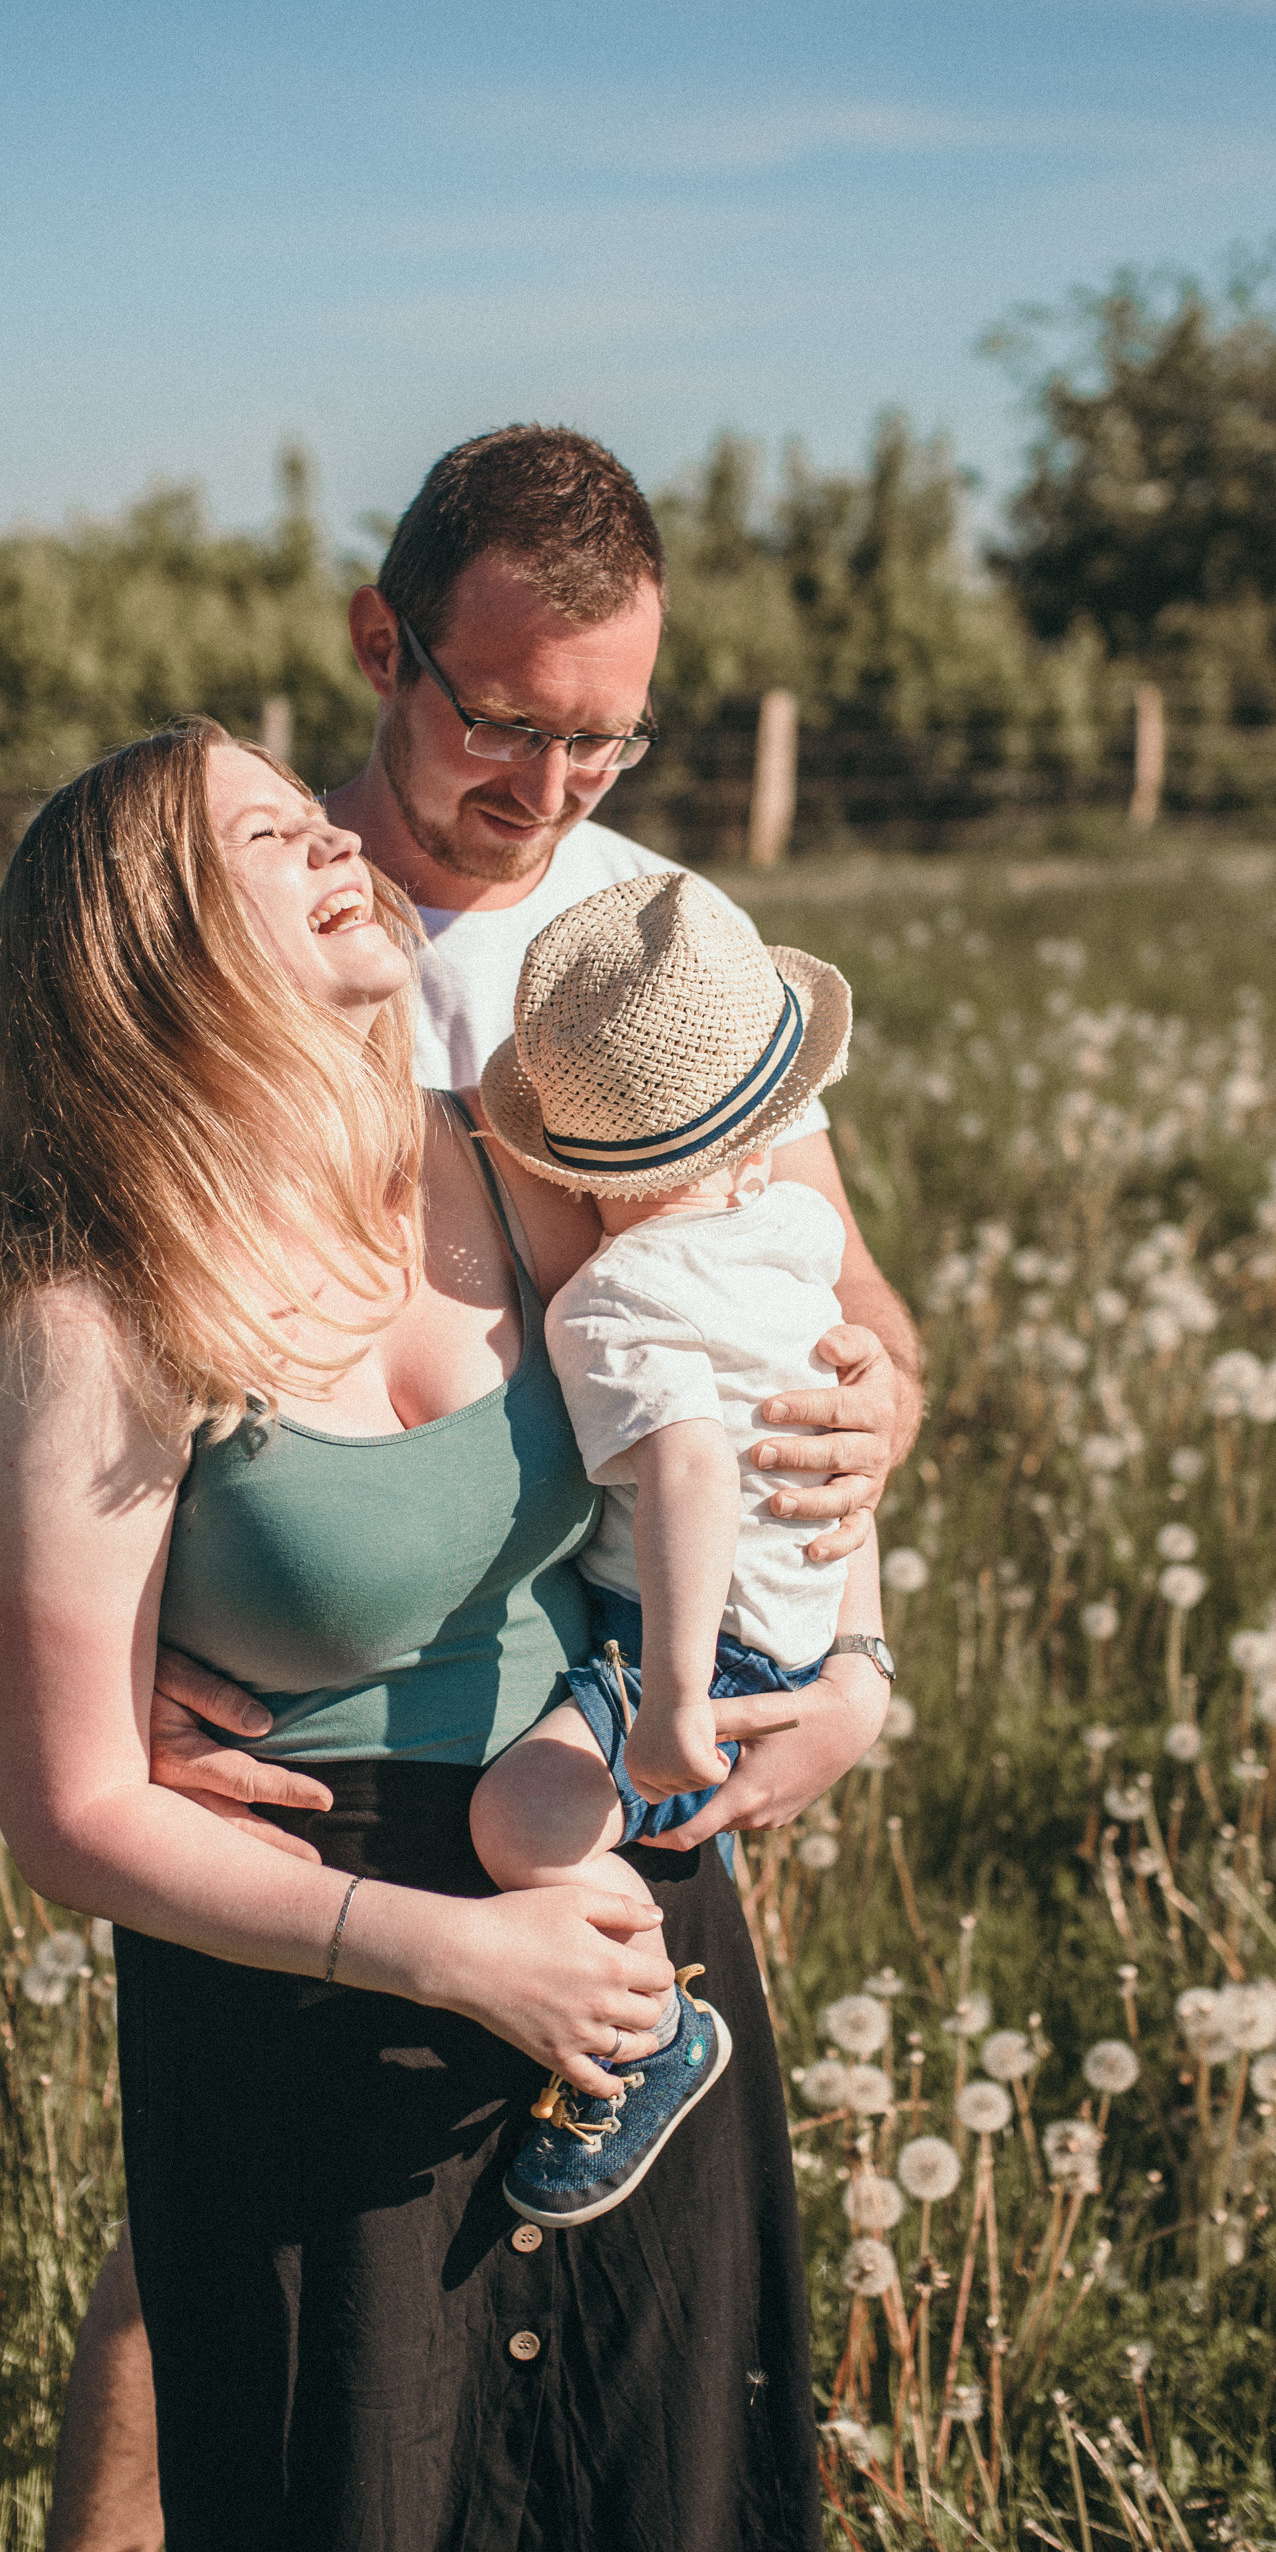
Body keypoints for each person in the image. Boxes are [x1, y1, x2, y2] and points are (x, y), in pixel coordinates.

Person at [0, 429, 924, 2552]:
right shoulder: (214, 900)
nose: (546, 784)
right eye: (503, 721)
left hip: (563, 1739)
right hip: (304, 1774)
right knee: (214, 2311)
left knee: (606, 2341)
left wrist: (872, 1423)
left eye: (603, 738)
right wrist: (151, 1649)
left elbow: (827, 1300)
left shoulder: (626, 927)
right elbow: (56, 1333)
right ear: (382, 648)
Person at [468, 869, 866, 2230]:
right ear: (766, 1129)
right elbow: (834, 1371)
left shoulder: (614, 1302)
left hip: (698, 1633)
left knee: (519, 1820)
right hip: (803, 1613)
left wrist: (678, 1696)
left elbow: (690, 1465)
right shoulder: (793, 1228)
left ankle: (647, 2028)